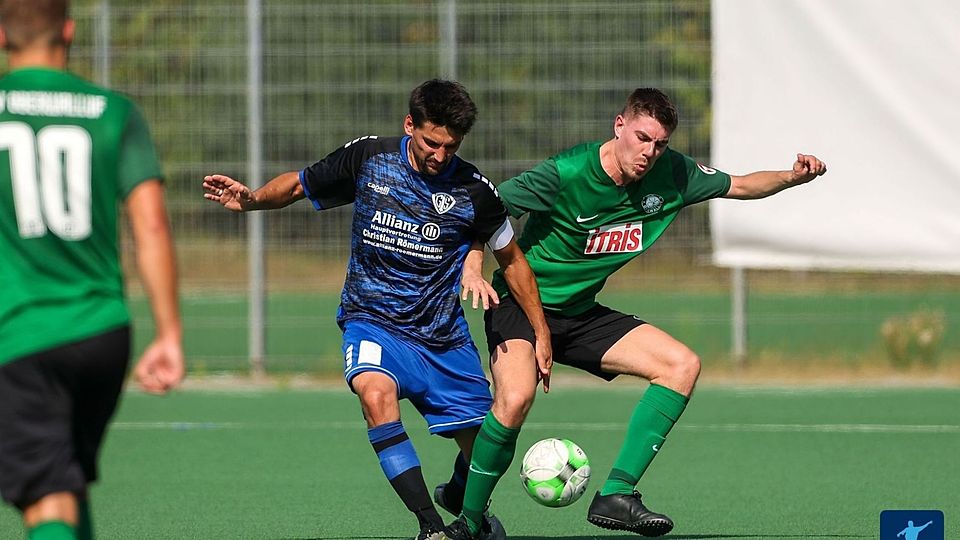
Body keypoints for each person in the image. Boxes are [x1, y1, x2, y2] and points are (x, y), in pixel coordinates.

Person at [443, 87, 827, 539]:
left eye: (660, 143)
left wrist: (791, 177)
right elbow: (489, 208)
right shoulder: (567, 172)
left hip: (580, 314)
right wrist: (472, 262)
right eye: (642, 138)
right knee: (515, 400)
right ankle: (467, 520)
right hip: (522, 306)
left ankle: (617, 495)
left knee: (681, 365)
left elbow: (740, 185)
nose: (649, 152)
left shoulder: (673, 173)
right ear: (619, 125)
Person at [202, 79, 550, 540]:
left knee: (489, 449)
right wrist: (252, 200)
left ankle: (468, 506)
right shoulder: (370, 157)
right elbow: (300, 185)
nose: (440, 155)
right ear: (410, 125)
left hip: (442, 337)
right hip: (373, 321)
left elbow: (515, 263)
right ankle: (431, 527)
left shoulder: (475, 190)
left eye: (451, 146)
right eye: (431, 142)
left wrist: (542, 333)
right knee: (374, 393)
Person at [0, 1, 185, 539]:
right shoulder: (114, 112)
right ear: (68, 29)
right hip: (104, 333)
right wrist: (169, 333)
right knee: (65, 479)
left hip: (22, 334)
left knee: (45, 498)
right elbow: (150, 226)